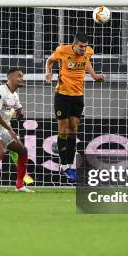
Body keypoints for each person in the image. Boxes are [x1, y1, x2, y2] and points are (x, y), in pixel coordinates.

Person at [45, 31, 104, 183]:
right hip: (62, 95)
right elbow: (49, 61)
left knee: (73, 130)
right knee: (63, 129)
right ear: (74, 44)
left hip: (78, 96)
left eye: (85, 46)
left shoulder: (88, 51)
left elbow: (87, 62)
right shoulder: (62, 51)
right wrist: (48, 73)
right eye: (80, 47)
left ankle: (69, 166)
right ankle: (63, 165)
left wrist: (95, 76)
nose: (83, 49)